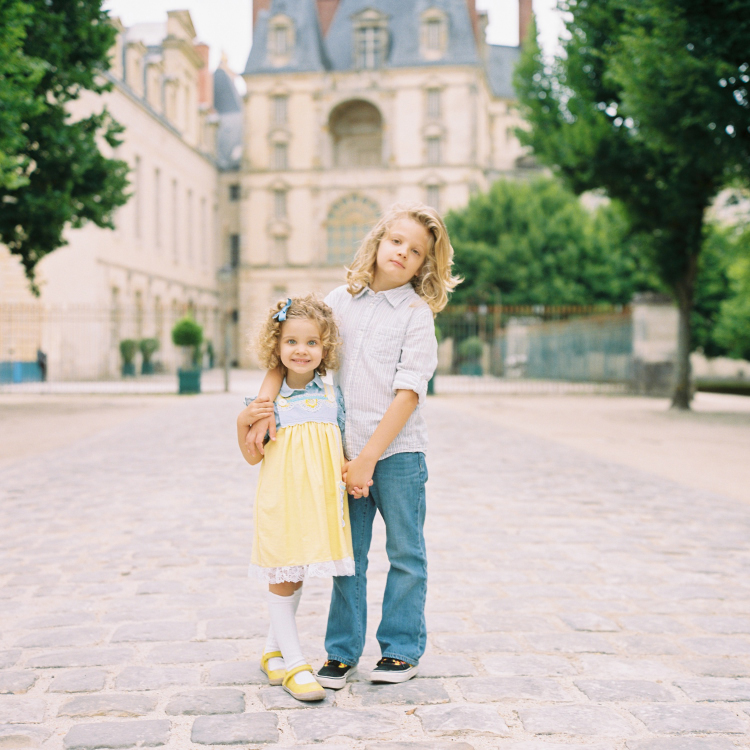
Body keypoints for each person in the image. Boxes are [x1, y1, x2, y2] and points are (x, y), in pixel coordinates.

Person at [244, 203, 460, 688]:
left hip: (397, 455)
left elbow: (409, 394)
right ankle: (341, 652)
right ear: (379, 242)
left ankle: (401, 650)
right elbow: (290, 347)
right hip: (340, 457)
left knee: (406, 553)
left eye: (416, 250)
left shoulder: (415, 314)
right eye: (396, 241)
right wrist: (262, 405)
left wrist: (367, 460)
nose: (403, 252)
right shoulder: (340, 301)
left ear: (426, 263)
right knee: (348, 555)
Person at [236, 294, 356, 702]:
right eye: (291, 342)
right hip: (283, 498)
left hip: (320, 499)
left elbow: (338, 443)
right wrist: (243, 421)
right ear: (277, 346)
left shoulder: (331, 393)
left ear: (325, 348)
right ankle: (295, 664)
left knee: (297, 573)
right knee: (283, 575)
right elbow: (252, 454)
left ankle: (272, 651)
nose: (301, 351)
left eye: (311, 343)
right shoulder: (270, 403)